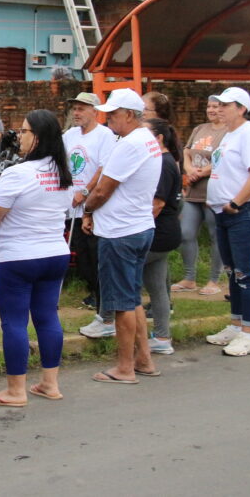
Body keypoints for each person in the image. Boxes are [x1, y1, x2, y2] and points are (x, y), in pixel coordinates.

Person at [0, 109, 73, 407]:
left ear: (39, 137)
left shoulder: (17, 173)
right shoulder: (63, 173)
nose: (19, 136)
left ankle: (16, 391)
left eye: (24, 131)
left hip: (19, 257)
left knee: (15, 322)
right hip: (55, 253)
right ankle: (50, 383)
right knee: (47, 317)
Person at [82, 88, 162, 384]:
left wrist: (86, 209)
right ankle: (143, 359)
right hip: (138, 226)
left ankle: (125, 367)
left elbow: (103, 189)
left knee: (122, 303)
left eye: (113, 114)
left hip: (120, 232)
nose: (108, 119)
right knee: (132, 297)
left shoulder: (130, 144)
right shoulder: (145, 139)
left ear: (129, 115)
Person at [205, 87, 250, 357]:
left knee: (247, 273)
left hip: (245, 212)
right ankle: (236, 324)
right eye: (217, 104)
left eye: (225, 105)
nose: (219, 109)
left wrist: (235, 203)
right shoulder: (230, 134)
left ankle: (249, 333)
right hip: (223, 213)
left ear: (241, 108)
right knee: (232, 271)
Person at [63, 92, 119, 337]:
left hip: (93, 205)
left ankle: (105, 311)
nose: (77, 113)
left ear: (95, 111)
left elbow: (104, 168)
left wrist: (86, 191)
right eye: (74, 109)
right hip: (70, 205)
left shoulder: (105, 136)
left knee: (96, 257)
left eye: (82, 109)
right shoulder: (69, 135)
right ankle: (97, 297)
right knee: (82, 259)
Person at [173, 98, 226, 295]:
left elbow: (224, 157)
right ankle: (189, 278)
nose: (212, 110)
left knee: (215, 235)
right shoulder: (200, 128)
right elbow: (186, 151)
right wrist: (189, 170)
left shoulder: (229, 132)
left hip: (213, 191)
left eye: (217, 106)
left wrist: (203, 172)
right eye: (209, 106)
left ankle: (214, 279)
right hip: (193, 190)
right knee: (185, 233)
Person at [140, 119, 183, 356]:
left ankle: (106, 322)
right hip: (163, 233)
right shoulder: (163, 162)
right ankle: (162, 337)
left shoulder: (163, 164)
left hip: (157, 234)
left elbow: (156, 205)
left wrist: (137, 228)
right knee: (157, 288)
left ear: (159, 139)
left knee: (124, 279)